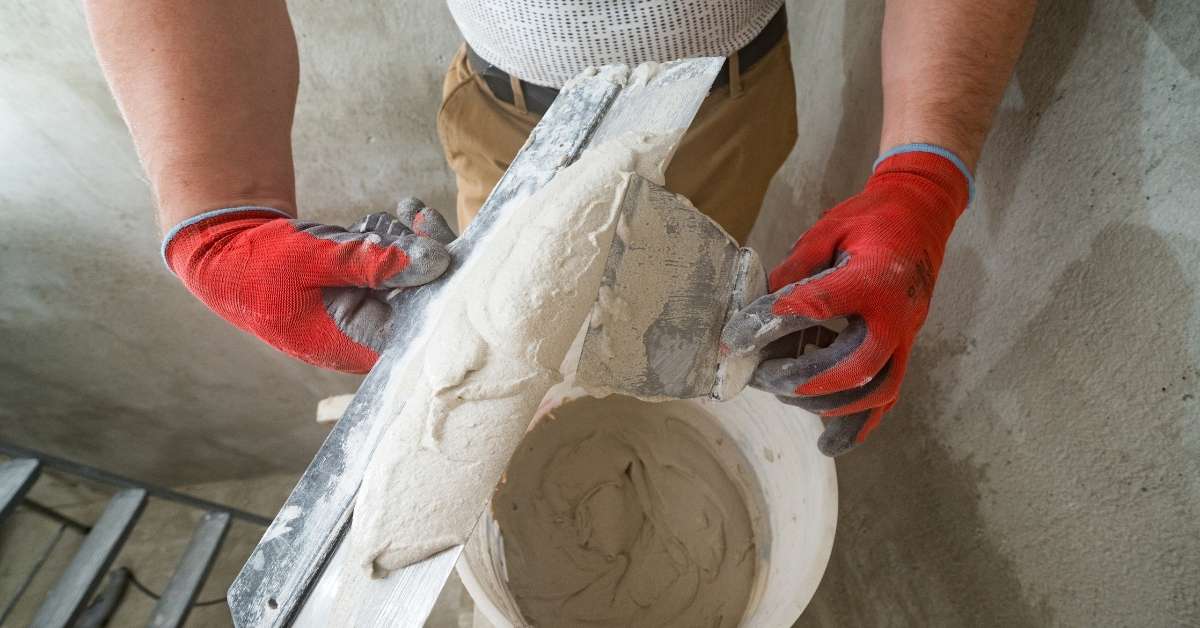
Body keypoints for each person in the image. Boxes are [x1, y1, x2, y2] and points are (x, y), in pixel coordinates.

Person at [84, 0, 1035, 456]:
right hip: (506, 117)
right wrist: (216, 213)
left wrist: (924, 172)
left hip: (727, 104)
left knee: (671, 325)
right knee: (510, 354)